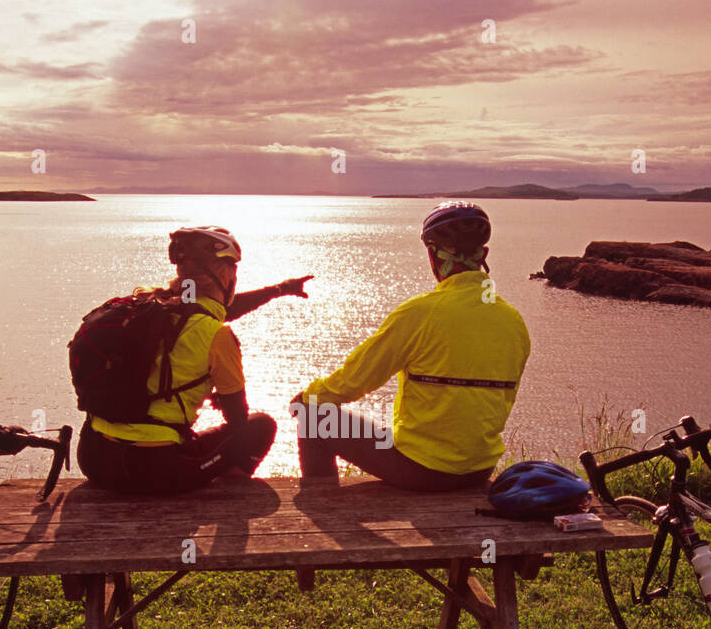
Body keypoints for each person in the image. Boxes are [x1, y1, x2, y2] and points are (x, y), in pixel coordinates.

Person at [292, 202, 530, 490]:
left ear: (432, 254)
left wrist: (308, 396)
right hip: (478, 469)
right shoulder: (513, 320)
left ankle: (324, 508)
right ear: (484, 255)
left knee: (313, 417)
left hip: (422, 471)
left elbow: (356, 380)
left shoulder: (420, 313)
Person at [77, 226, 311, 495]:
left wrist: (279, 290)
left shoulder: (151, 307)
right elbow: (238, 421)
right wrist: (220, 397)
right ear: (225, 274)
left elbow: (219, 310)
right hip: (156, 473)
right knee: (260, 427)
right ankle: (229, 492)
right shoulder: (216, 334)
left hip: (96, 459)